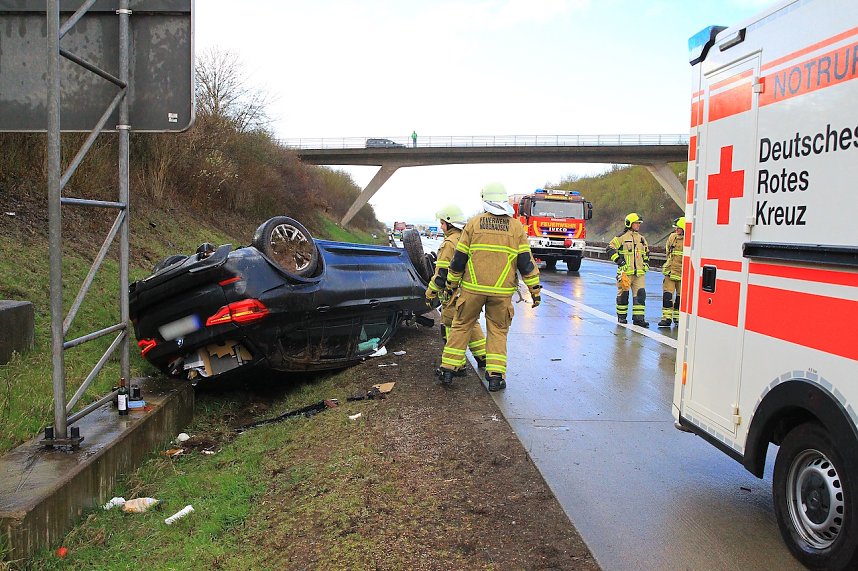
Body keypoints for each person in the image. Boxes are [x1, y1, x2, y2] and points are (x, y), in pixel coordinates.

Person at [436, 183, 541, 391]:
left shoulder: (473, 224)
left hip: (472, 290)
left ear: (484, 200)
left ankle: (447, 370)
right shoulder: (516, 227)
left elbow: (458, 260)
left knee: (461, 326)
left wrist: (450, 285)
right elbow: (526, 263)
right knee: (498, 332)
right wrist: (534, 291)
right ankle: (495, 377)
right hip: (501, 293)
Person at [425, 204, 487, 371]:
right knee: (471, 323)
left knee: (450, 327)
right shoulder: (469, 238)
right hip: (471, 291)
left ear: (449, 224)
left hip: (453, 294)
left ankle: (456, 366)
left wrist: (430, 293)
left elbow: (442, 274)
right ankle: (483, 358)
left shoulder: (449, 243)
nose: (440, 226)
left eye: (442, 223)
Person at [607, 212, 650, 327]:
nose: (638, 225)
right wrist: (620, 261)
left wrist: (646, 264)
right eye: (636, 223)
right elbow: (610, 249)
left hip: (639, 274)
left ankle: (639, 319)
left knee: (640, 295)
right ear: (629, 224)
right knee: (623, 295)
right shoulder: (621, 237)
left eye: (639, 223)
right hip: (625, 273)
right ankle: (621, 317)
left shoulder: (641, 239)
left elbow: (646, 253)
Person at [658, 217, 685, 328]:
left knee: (680, 297)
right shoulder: (672, 237)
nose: (676, 230)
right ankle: (666, 318)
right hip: (670, 271)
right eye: (676, 228)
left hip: (682, 273)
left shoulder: (689, 240)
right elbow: (668, 252)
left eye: (679, 228)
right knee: (667, 295)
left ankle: (678, 318)